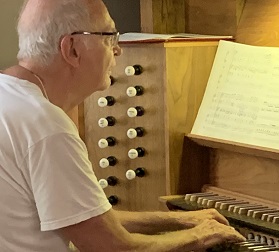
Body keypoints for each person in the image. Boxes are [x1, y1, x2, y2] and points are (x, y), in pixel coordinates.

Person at [0, 0, 245, 251]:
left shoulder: (9, 96)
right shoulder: (47, 127)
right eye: (108, 37)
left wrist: (180, 219)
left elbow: (89, 219)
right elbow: (115, 247)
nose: (117, 50)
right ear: (72, 48)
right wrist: (201, 236)